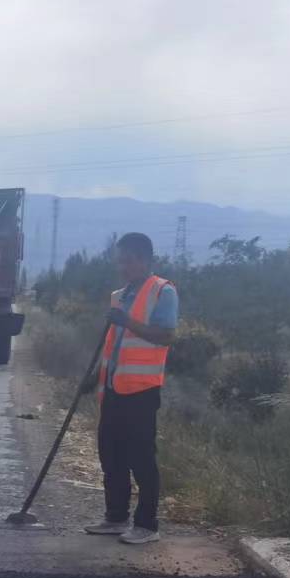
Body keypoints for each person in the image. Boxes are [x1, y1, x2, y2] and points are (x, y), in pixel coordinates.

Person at [84, 233, 178, 546]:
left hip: (141, 391)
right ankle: (115, 517)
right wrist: (95, 376)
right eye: (119, 261)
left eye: (127, 261)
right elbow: (115, 346)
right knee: (111, 455)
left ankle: (147, 525)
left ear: (144, 259)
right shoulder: (120, 296)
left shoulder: (163, 291)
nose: (122, 267)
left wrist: (127, 321)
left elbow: (165, 336)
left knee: (141, 457)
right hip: (112, 388)